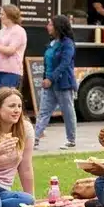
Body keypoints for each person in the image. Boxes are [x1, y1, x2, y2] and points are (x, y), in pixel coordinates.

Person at [33, 15, 78, 150]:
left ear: (58, 27)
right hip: (49, 84)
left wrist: (50, 78)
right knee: (44, 112)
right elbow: (48, 63)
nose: (48, 27)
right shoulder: (52, 43)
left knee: (68, 111)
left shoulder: (67, 44)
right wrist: (45, 79)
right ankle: (35, 138)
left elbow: (65, 64)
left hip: (63, 84)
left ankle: (71, 140)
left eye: (50, 24)